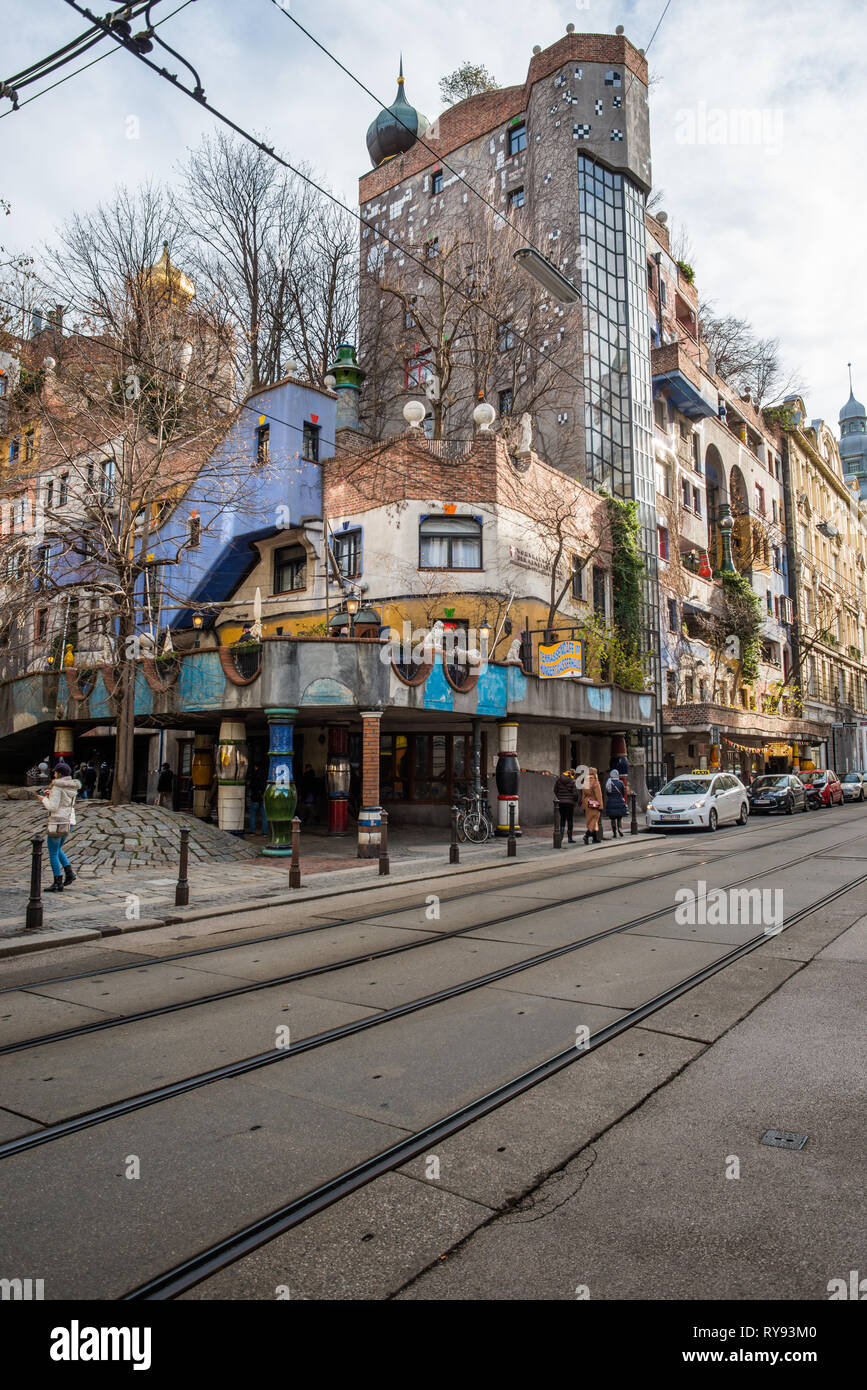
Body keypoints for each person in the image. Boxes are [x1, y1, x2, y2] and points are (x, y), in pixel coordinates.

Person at [38, 761, 80, 892]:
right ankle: (69, 873)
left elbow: (52, 807)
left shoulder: (57, 787)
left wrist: (43, 799)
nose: (53, 773)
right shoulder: (72, 786)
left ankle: (58, 881)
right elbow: (65, 801)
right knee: (58, 849)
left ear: (59, 774)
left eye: (55, 771)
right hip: (69, 821)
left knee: (53, 852)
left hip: (58, 822)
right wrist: (51, 795)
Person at [553, 767, 579, 844]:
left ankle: (560, 837)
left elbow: (555, 790)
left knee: (562, 819)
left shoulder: (559, 780)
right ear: (572, 774)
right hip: (570, 804)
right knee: (570, 820)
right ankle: (570, 838)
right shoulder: (572, 781)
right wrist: (575, 800)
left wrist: (559, 797)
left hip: (561, 803)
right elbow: (575, 794)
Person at [582, 767, 604, 844]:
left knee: (591, 820)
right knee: (594, 819)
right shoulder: (595, 782)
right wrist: (601, 806)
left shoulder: (585, 782)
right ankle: (587, 835)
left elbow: (583, 795)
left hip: (587, 803)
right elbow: (599, 795)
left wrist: (583, 806)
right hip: (594, 803)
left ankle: (595, 838)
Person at [247, 759, 269, 836]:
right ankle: (265, 832)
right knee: (264, 816)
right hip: (263, 797)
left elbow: (251, 785)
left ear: (256, 767)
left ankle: (252, 831)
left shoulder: (254, 774)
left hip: (255, 796)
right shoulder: (266, 774)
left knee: (253, 814)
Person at [605, 767, 628, 838]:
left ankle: (614, 832)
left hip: (611, 802)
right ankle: (620, 829)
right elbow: (623, 792)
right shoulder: (620, 783)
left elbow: (607, 793)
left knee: (612, 819)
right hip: (619, 801)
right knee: (619, 817)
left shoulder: (609, 783)